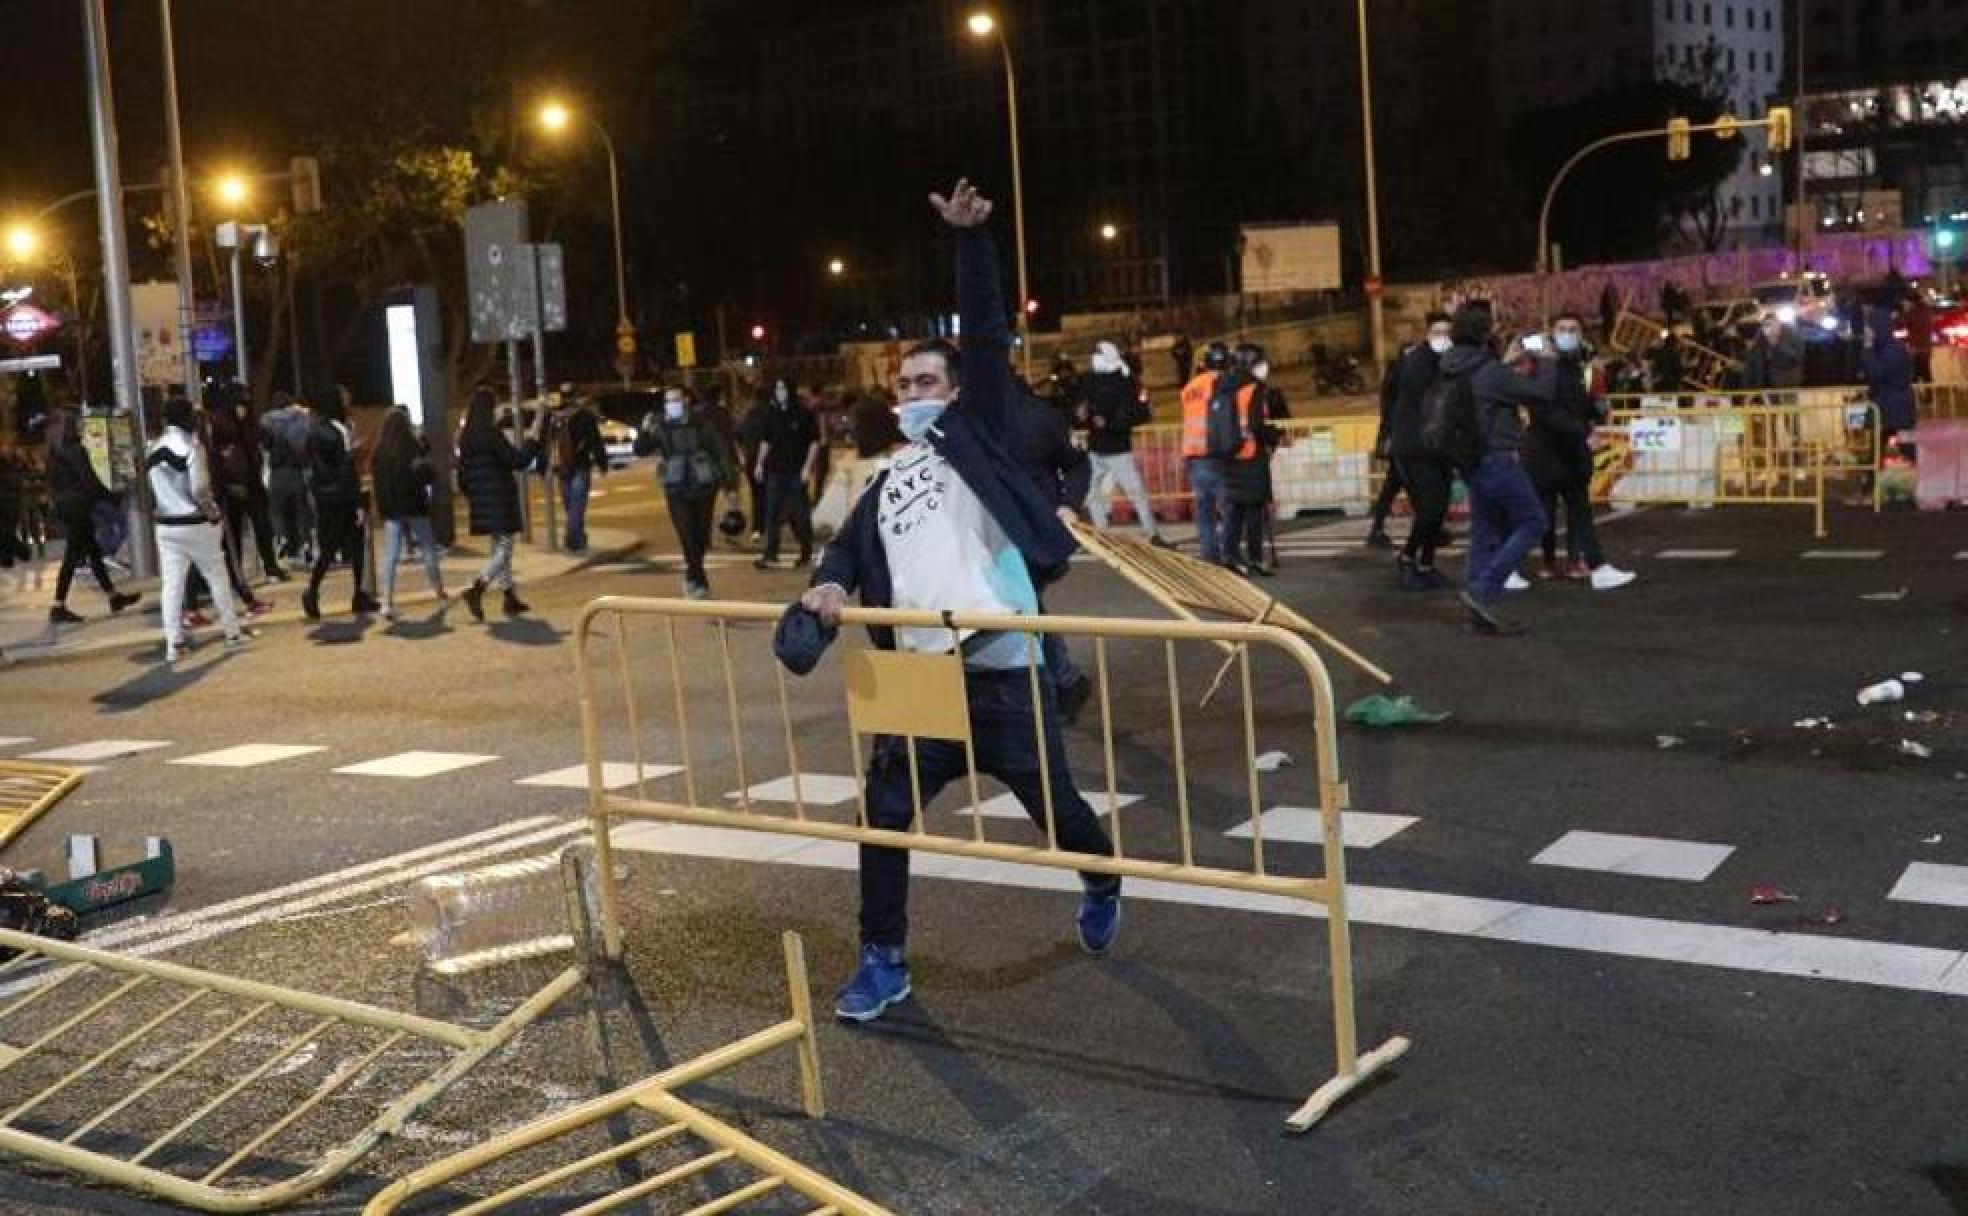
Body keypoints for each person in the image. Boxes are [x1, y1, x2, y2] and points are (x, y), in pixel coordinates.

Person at [801, 179, 1121, 1023]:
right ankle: (883, 962)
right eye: (903, 380)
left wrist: (972, 244)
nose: (910, 391)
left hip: (999, 661)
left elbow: (983, 333)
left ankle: (1100, 871)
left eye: (926, 379)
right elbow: (849, 546)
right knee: (885, 816)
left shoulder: (980, 432)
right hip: (916, 675)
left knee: (1060, 812)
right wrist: (832, 582)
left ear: (956, 387)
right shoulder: (888, 473)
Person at [1440, 305, 1556, 636]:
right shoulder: (1490, 372)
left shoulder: (1452, 367)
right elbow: (1541, 393)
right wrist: (1545, 358)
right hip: (1498, 456)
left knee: (1484, 530)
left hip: (1469, 457)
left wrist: (1503, 364)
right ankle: (1484, 590)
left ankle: (1477, 606)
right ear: (1486, 333)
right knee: (1534, 521)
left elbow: (1483, 390)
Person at [1523, 314, 1636, 591]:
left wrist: (1596, 411)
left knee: (1578, 512)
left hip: (1569, 455)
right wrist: (1584, 432)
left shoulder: (1576, 366)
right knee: (1539, 517)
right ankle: (1509, 567)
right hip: (1546, 453)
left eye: (1573, 329)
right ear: (1552, 332)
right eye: (1562, 329)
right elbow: (1547, 411)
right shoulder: (1545, 366)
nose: (1567, 334)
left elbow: (1578, 404)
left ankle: (1594, 566)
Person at [147, 396, 246, 663]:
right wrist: (213, 514)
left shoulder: (153, 448)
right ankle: (232, 632)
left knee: (172, 585)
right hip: (196, 523)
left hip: (166, 525)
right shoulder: (192, 447)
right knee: (217, 576)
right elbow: (201, 488)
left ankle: (174, 643)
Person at [455, 386, 544, 620]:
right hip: (499, 498)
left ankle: (509, 598)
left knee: (499, 548)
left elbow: (462, 474)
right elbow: (518, 460)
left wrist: (473, 494)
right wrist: (534, 436)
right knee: (504, 549)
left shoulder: (465, 437)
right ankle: (478, 587)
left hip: (480, 500)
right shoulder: (491, 434)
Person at [635, 386, 733, 598]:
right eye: (668, 400)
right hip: (676, 487)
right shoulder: (660, 425)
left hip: (704, 487)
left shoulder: (702, 423)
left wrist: (729, 485)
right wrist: (644, 430)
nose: (672, 404)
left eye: (676, 399)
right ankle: (698, 580)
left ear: (687, 400)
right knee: (686, 535)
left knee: (701, 536)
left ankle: (693, 575)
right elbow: (641, 449)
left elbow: (720, 451)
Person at [44, 408, 139, 624]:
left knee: (92, 551)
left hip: (65, 507)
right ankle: (58, 606)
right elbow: (90, 480)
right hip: (78, 506)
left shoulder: (53, 452)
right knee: (73, 555)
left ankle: (113, 596)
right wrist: (112, 497)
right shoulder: (76, 450)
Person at [1387, 312, 1455, 591]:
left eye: (1447, 333)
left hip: (1438, 448)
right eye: (1437, 332)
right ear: (1428, 334)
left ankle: (1427, 563)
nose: (1443, 338)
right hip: (1416, 448)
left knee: (1437, 510)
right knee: (1428, 508)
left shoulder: (1443, 362)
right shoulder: (1417, 362)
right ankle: (1407, 557)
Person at [1080, 340, 1167, 544]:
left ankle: (1151, 531)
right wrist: (1083, 415)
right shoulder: (1094, 380)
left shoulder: (1122, 381)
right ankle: (1102, 531)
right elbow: (1081, 406)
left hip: (1116, 447)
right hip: (1098, 446)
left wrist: (1106, 422)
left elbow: (1133, 413)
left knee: (1133, 490)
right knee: (1094, 491)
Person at [298, 395, 377, 621]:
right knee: (357, 543)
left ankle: (313, 590)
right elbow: (344, 468)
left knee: (328, 548)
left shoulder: (313, 432)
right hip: (343, 495)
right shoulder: (338, 431)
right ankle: (358, 594)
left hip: (324, 497)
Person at [371, 405, 447, 620]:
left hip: (392, 509)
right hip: (415, 505)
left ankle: (386, 601)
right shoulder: (411, 447)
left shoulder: (380, 452)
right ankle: (439, 591)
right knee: (428, 549)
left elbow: (379, 483)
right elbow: (426, 471)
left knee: (390, 555)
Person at [205, 382, 287, 583]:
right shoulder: (218, 422)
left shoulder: (248, 421)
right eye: (241, 402)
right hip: (231, 486)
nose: (244, 406)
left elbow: (263, 438)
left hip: (252, 481)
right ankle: (235, 574)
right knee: (233, 532)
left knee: (262, 526)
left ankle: (270, 566)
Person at [1223, 344, 1286, 576]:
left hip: (1230, 452)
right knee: (1253, 509)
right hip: (1251, 453)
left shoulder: (1226, 384)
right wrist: (1274, 434)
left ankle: (1229, 555)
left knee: (1235, 508)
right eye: (1260, 362)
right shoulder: (1253, 388)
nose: (1264, 366)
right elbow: (1255, 425)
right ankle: (1256, 557)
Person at [752, 377, 818, 568]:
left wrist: (807, 468)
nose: (779, 391)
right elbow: (766, 441)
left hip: (797, 471)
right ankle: (770, 554)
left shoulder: (804, 414)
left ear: (791, 390)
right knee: (771, 513)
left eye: (782, 388)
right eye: (777, 388)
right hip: (775, 471)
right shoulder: (771, 414)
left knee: (800, 514)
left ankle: (806, 552)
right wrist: (759, 464)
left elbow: (814, 442)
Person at [1179, 341, 1233, 562]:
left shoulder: (1190, 387)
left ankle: (1210, 557)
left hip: (1194, 455)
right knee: (1230, 509)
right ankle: (1231, 555)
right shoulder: (1226, 385)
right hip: (1218, 453)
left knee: (1205, 512)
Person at [259, 391, 315, 564]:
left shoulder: (266, 421)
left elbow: (264, 445)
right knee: (301, 510)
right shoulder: (300, 419)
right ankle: (306, 544)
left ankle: (281, 538)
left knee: (277, 510)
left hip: (276, 471)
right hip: (297, 470)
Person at [556, 398, 608, 552]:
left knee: (572, 505)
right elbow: (596, 441)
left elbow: (595, 441)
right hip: (577, 466)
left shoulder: (557, 419)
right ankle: (576, 537)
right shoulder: (583, 418)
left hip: (567, 468)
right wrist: (602, 462)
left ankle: (574, 538)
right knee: (575, 505)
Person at [1863, 306, 1917, 458]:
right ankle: (1872, 478)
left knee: (1905, 447)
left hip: (1894, 406)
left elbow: (1877, 372)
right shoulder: (1889, 349)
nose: (1868, 332)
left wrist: (1867, 350)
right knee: (1882, 446)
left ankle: (1873, 477)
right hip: (1891, 405)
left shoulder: (1893, 351)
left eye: (1870, 328)